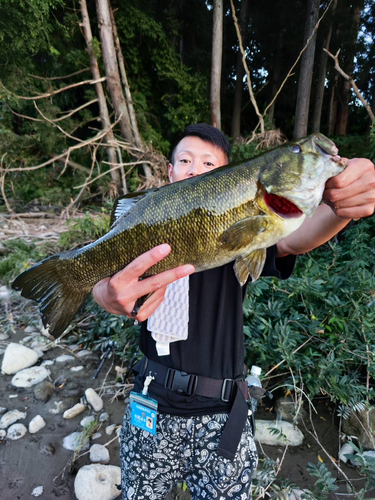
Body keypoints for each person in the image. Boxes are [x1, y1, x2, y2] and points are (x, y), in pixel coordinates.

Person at [93, 124, 375, 500]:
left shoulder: (246, 236)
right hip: (151, 406)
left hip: (223, 414)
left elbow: (296, 238)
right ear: (171, 172)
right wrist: (106, 296)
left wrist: (343, 207)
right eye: (185, 160)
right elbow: (102, 278)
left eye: (209, 162)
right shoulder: (144, 226)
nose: (195, 168)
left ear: (227, 179)